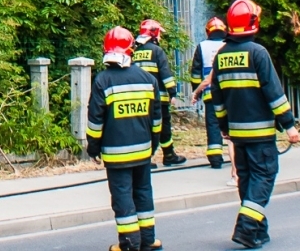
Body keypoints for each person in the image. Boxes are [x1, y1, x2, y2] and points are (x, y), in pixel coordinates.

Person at [214, 0, 299, 248]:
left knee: (248, 179)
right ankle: (246, 227)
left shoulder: (221, 56)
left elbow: (217, 100)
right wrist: (289, 125)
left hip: (237, 133)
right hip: (261, 133)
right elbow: (274, 93)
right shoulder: (257, 53)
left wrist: (224, 127)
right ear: (252, 22)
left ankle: (258, 232)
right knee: (264, 176)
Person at [87, 26, 162, 251]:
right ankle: (148, 241)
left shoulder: (103, 81)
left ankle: (129, 244)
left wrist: (93, 148)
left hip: (116, 153)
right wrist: (154, 144)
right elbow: (156, 118)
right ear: (131, 49)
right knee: (143, 193)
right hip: (143, 150)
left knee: (122, 197)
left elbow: (95, 122)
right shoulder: (148, 79)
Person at [132, 18, 185, 166]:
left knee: (144, 128)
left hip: (140, 98)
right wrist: (173, 93)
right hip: (158, 99)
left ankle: (146, 158)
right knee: (163, 126)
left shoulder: (135, 52)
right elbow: (165, 74)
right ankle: (168, 155)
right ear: (154, 34)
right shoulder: (157, 51)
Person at [189, 15, 228, 168]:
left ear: (208, 31)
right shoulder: (229, 45)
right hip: (229, 94)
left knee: (213, 124)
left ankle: (215, 158)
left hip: (210, 94)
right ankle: (238, 157)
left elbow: (196, 73)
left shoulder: (202, 46)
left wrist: (196, 92)